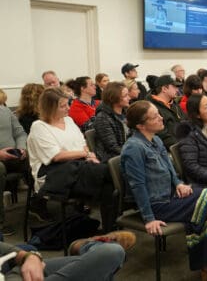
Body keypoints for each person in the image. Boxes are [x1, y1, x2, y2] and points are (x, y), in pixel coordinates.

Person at [121, 100, 207, 277]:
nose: (161, 118)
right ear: (141, 125)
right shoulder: (133, 148)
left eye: (159, 114)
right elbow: (138, 186)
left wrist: (179, 184)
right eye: (155, 117)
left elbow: (170, 169)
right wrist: (149, 218)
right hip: (157, 204)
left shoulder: (156, 140)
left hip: (171, 195)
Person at [27, 87, 116, 231]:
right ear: (50, 108)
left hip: (76, 166)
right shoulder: (39, 127)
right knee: (110, 174)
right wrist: (85, 154)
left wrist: (87, 154)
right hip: (52, 174)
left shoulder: (68, 120)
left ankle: (108, 230)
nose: (68, 108)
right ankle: (110, 229)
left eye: (68, 103)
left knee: (110, 188)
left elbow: (83, 144)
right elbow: (56, 156)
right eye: (63, 106)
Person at [1, 231, 135, 281]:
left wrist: (29, 257)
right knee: (107, 260)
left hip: (13, 271)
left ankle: (89, 245)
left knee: (109, 255)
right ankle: (90, 245)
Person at [0, 100, 29, 235]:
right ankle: (0, 223)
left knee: (37, 158)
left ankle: (37, 204)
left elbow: (20, 133)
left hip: (13, 154)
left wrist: (21, 147)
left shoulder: (4, 110)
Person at [94, 82, 130, 163]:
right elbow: (112, 147)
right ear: (114, 98)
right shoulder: (103, 117)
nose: (129, 98)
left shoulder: (126, 112)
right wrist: (132, 154)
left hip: (125, 152)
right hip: (112, 157)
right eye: (125, 96)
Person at [146, 75, 184, 149]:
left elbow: (185, 122)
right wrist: (184, 144)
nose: (177, 90)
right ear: (164, 89)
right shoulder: (152, 108)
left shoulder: (174, 104)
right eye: (174, 87)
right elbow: (163, 136)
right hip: (169, 150)